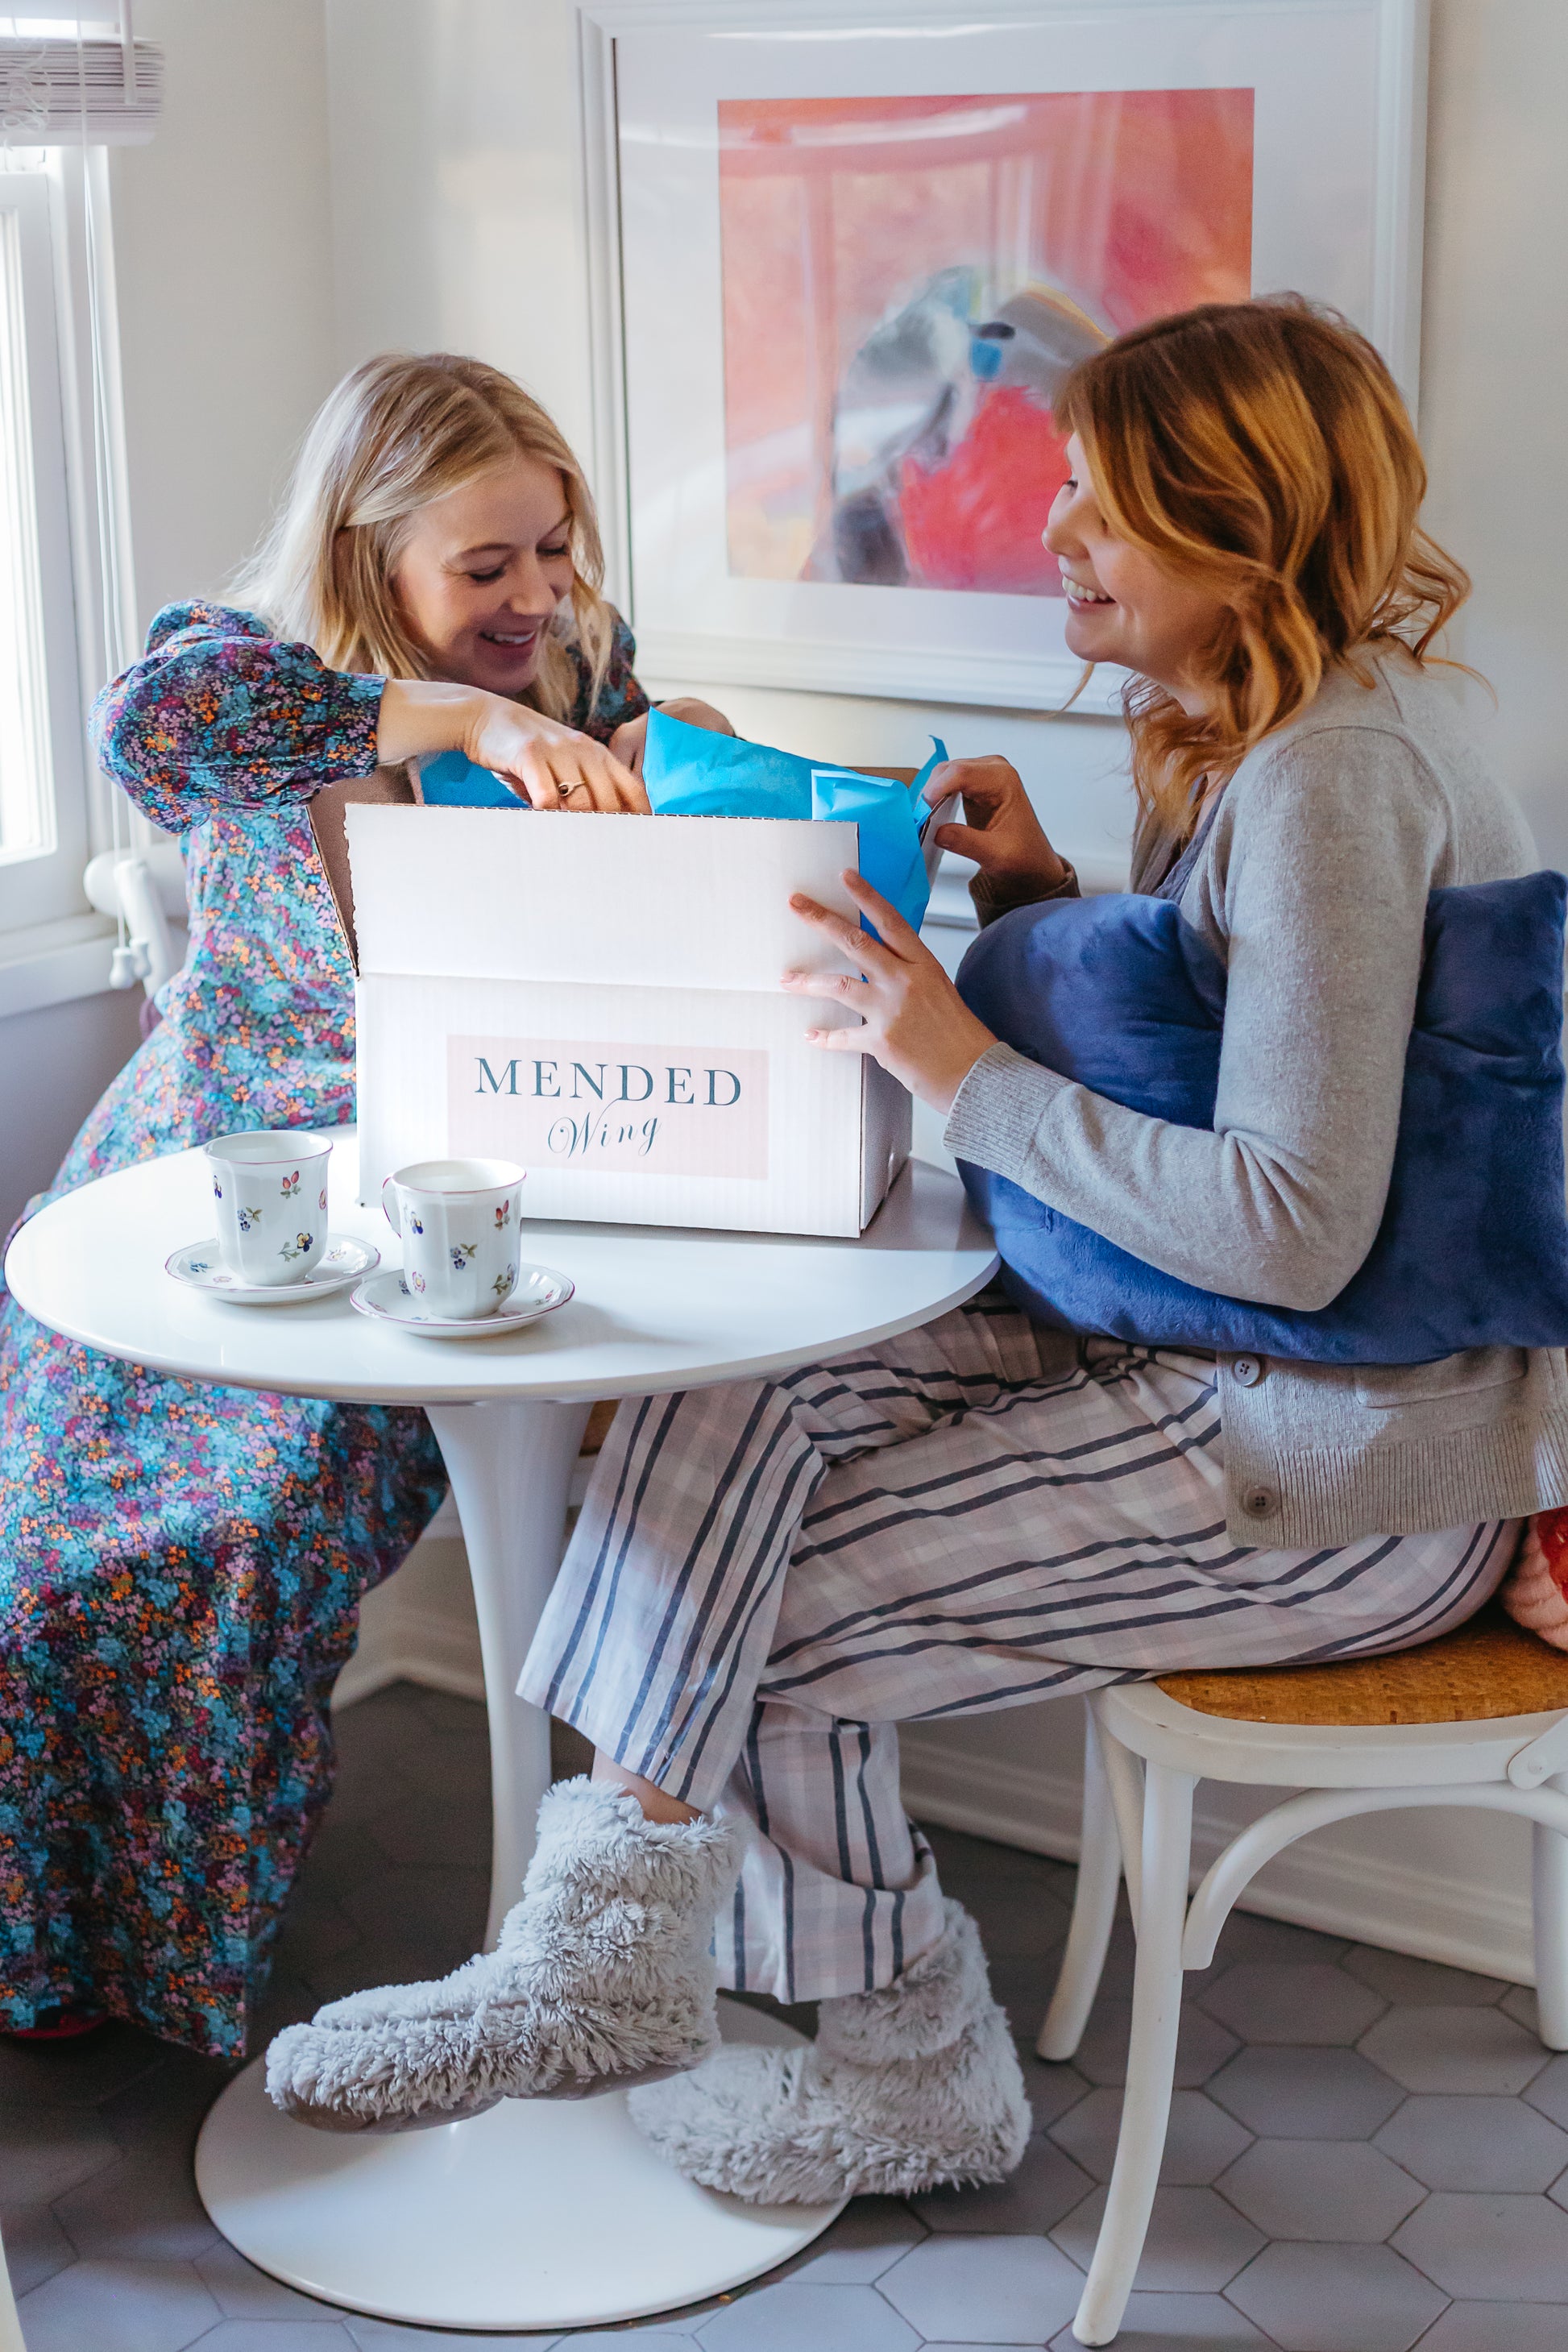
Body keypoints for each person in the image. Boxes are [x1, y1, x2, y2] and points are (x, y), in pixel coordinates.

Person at [268, 300, 1564, 2195]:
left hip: (1346, 1460)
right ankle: (601, 1950)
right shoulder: (1311, 725)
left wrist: (951, 1066)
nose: (1050, 535)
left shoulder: (1332, 777)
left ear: (1237, 529)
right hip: (1221, 1368)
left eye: (1097, 505)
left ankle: (903, 2065)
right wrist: (1046, 900)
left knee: (750, 1623)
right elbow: (1270, 1042)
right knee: (726, 1413)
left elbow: (1293, 1228)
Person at [0, 351, 728, 2054]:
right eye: (487, 567)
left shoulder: (590, 678)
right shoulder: (235, 681)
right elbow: (138, 728)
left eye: (553, 551)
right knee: (31, 1552)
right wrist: (465, 714)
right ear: (364, 548)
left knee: (226, 1548)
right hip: (201, 1188)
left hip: (445, 1230)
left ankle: (150, 1986)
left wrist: (656, 762)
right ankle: (36, 1967)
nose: (536, 598)